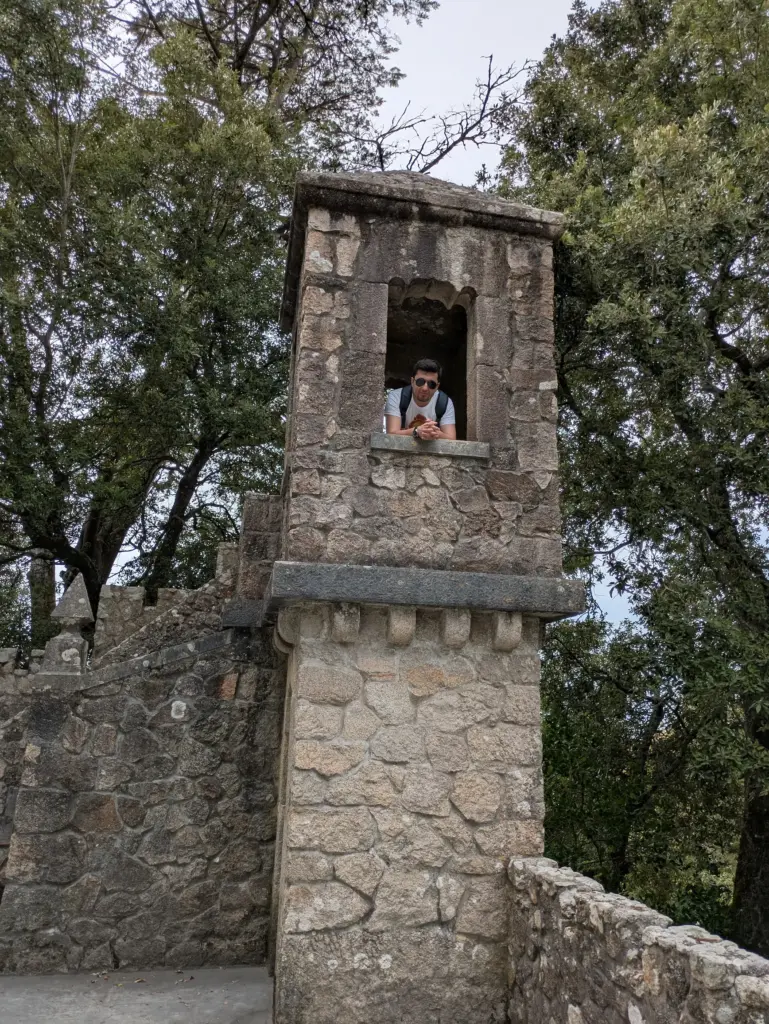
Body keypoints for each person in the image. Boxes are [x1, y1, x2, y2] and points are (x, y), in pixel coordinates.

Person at [384, 358, 457, 440]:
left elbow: (451, 439)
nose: (425, 388)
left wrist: (434, 432)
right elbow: (391, 434)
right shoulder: (397, 396)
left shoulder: (445, 402)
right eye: (420, 382)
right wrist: (417, 431)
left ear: (437, 386)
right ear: (412, 381)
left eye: (431, 384)